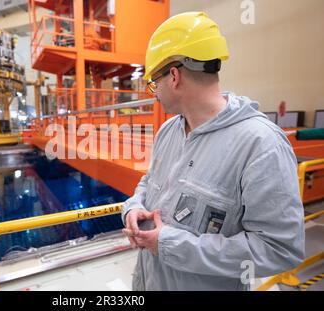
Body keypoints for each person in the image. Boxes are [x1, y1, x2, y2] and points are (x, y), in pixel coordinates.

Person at [121, 12, 305, 291]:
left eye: (153, 82)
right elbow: (150, 182)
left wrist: (170, 245)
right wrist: (133, 208)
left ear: (173, 76)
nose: (153, 91)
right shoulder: (168, 132)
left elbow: (279, 248)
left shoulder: (260, 145)